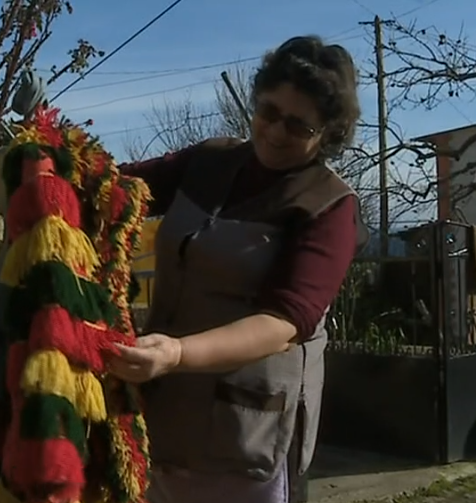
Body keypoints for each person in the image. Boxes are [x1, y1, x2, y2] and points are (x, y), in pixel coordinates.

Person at [106, 35, 369, 503]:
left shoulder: (328, 206)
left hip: (243, 430)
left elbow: (283, 322)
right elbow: (119, 188)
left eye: (298, 125)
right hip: (164, 407)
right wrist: (48, 153)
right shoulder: (209, 162)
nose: (276, 132)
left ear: (328, 133)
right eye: (269, 111)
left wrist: (176, 353)